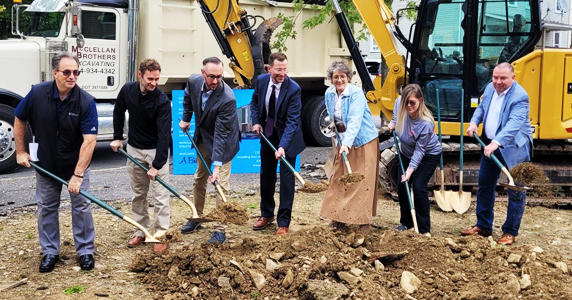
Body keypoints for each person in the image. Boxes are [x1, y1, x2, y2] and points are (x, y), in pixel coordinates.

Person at [14, 51, 98, 272]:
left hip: (74, 165)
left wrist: (78, 175)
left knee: (81, 207)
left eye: (76, 72)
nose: (72, 76)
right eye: (67, 72)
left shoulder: (86, 102)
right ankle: (50, 251)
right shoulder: (37, 93)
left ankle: (86, 251)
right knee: (47, 208)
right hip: (46, 165)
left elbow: (90, 141)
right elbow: (19, 118)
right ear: (55, 73)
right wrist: (20, 151)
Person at [461, 62, 532, 245]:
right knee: (485, 185)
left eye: (503, 78)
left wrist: (496, 142)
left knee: (516, 190)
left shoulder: (520, 97)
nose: (498, 82)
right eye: (495, 77)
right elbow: (482, 108)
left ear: (513, 78)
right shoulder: (490, 88)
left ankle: (509, 232)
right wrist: (474, 122)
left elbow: (513, 125)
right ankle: (483, 226)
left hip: (513, 149)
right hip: (490, 145)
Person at [110, 58, 172, 252]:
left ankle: (161, 234)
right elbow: (118, 112)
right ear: (140, 75)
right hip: (135, 149)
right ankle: (141, 231)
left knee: (161, 195)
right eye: (150, 79)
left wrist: (157, 164)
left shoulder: (161, 101)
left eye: (156, 79)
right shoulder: (128, 90)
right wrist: (117, 137)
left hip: (155, 150)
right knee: (139, 193)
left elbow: (164, 136)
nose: (154, 83)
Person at [178, 57, 240, 244]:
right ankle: (197, 216)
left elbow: (221, 134)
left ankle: (220, 229)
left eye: (219, 77)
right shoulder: (194, 81)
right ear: (203, 73)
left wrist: (217, 167)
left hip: (225, 142)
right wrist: (186, 118)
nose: (215, 81)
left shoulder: (227, 97)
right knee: (199, 178)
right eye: (211, 76)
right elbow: (188, 98)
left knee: (220, 184)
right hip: (204, 138)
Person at [320, 60, 380, 231]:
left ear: (348, 77)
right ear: (331, 79)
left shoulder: (356, 94)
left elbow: (355, 120)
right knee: (338, 178)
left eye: (342, 76)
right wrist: (335, 126)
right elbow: (335, 115)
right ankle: (337, 217)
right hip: (344, 141)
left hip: (363, 141)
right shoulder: (329, 93)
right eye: (335, 77)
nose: (339, 80)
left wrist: (347, 143)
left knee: (361, 180)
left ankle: (362, 222)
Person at [250, 52, 305, 235]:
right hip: (268, 135)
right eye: (278, 70)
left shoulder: (294, 89)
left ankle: (283, 222)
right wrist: (256, 121)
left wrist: (283, 147)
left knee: (287, 182)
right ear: (269, 69)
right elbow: (255, 103)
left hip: (288, 139)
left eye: (285, 70)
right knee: (266, 177)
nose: (282, 74)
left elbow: (292, 122)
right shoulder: (262, 81)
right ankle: (266, 214)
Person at [388, 84, 442, 237]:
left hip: (428, 154)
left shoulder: (425, 123)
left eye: (412, 102)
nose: (408, 106)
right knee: (402, 185)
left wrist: (410, 171)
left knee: (418, 187)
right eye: (406, 102)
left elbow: (420, 150)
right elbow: (397, 107)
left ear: (420, 100)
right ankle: (407, 223)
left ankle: (424, 229)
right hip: (406, 152)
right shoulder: (400, 103)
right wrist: (393, 122)